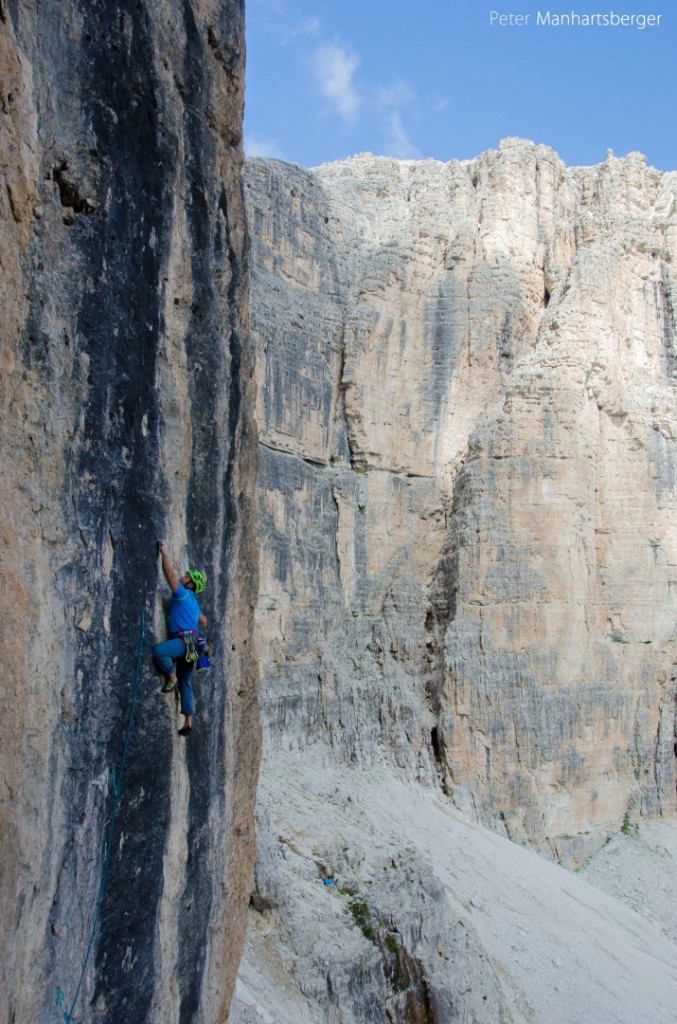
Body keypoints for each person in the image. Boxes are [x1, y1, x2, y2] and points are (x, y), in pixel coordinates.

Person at [153, 539, 207, 737]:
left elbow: (169, 577)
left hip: (184, 642)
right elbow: (204, 620)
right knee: (186, 682)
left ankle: (170, 675)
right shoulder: (194, 603)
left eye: (187, 577)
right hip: (194, 645)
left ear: (190, 584)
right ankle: (188, 722)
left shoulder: (183, 594)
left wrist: (165, 554)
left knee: (160, 652)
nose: (183, 577)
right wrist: (194, 617)